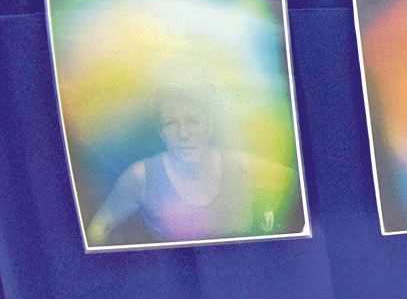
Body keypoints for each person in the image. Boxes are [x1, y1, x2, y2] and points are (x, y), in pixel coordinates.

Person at [85, 86, 299, 247]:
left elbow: (298, 189)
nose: (184, 134)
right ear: (161, 132)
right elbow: (99, 226)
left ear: (209, 126)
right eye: (171, 123)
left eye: (193, 121)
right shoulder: (142, 176)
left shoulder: (239, 166)